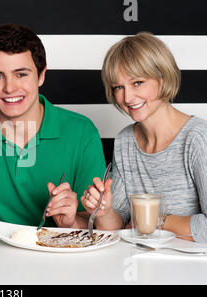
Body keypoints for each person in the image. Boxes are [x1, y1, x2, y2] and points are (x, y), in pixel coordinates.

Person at [0, 24, 106, 232]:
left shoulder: (82, 132)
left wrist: (70, 221)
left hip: (60, 257)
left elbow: (96, 224)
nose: (9, 88)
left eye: (21, 74)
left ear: (41, 75)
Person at [81, 32, 207, 243]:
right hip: (138, 267)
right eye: (118, 87)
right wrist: (103, 210)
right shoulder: (125, 141)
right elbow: (117, 225)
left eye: (137, 82)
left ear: (163, 78)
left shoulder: (198, 139)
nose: (127, 97)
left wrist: (154, 222)